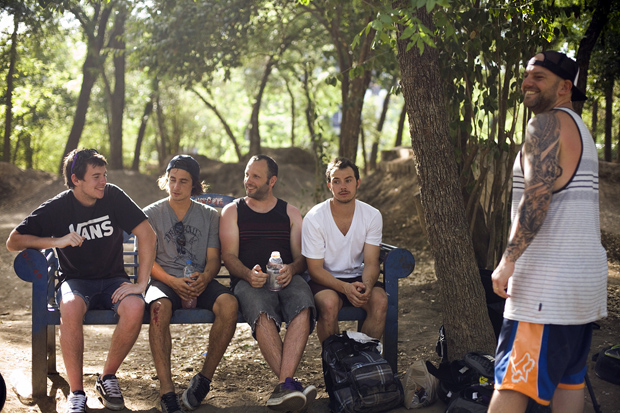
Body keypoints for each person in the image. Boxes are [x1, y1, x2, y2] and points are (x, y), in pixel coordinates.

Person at [489, 51, 608, 413]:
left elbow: (536, 199)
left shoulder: (546, 125)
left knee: (512, 381)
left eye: (539, 77)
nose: (527, 82)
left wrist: (508, 261)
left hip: (546, 287)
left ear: (564, 87)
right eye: (527, 75)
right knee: (568, 382)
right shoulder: (579, 128)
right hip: (581, 284)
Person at [6, 149, 157, 413]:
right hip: (76, 281)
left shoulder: (113, 196)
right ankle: (76, 393)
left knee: (135, 307)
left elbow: (147, 234)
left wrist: (141, 283)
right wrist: (57, 241)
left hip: (114, 280)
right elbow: (14, 241)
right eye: (96, 176)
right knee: (70, 306)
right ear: (76, 179)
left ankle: (107, 377)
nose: (103, 181)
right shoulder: (58, 207)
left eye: (104, 175)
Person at [219, 154, 317, 412]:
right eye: (247, 174)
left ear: (271, 181)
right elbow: (228, 256)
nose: (248, 181)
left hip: (287, 278)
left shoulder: (290, 212)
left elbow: (302, 258)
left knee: (304, 305)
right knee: (260, 311)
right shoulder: (233, 211)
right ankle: (289, 384)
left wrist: (291, 269)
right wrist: (247, 274)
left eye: (255, 176)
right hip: (248, 281)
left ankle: (285, 386)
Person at [142, 155, 238, 413]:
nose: (176, 187)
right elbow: (148, 261)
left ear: (194, 184)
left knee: (229, 304)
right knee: (158, 308)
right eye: (172, 180)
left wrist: (205, 277)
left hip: (199, 280)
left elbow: (214, 258)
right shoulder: (151, 214)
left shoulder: (209, 215)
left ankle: (203, 380)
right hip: (165, 280)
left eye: (183, 181)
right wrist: (172, 281)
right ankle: (167, 390)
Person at [301, 157, 387, 343]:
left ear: (357, 183)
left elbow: (371, 262)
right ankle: (335, 360)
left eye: (348, 180)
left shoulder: (372, 215)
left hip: (357, 277)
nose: (343, 186)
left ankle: (363, 357)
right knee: (329, 304)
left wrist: (367, 286)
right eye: (336, 181)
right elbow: (315, 270)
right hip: (324, 279)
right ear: (329, 186)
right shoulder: (315, 218)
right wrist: (345, 288)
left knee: (380, 301)